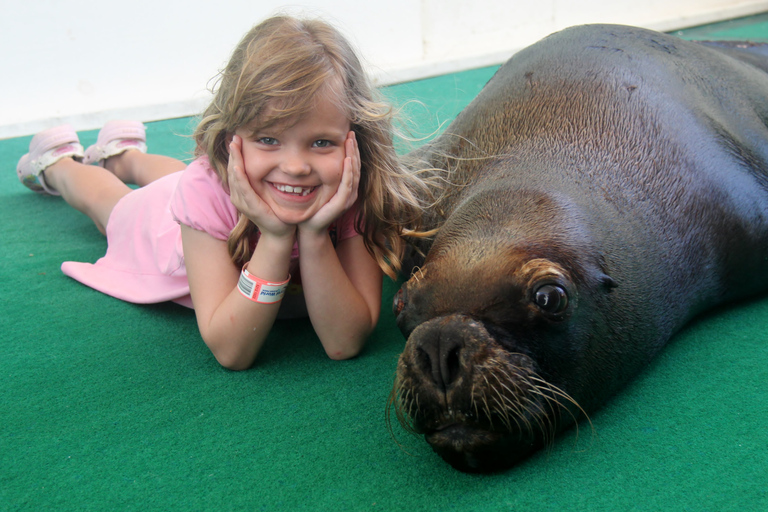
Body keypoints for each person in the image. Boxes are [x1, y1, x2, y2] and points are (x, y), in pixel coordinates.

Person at [15, 15, 431, 370]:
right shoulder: (205, 188)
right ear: (232, 139)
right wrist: (275, 236)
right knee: (113, 206)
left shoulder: (349, 187)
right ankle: (60, 165)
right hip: (165, 228)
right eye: (268, 139)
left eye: (321, 143)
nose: (296, 166)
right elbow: (232, 350)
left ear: (352, 139)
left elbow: (344, 342)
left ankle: (123, 155)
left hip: (207, 191)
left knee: (178, 178)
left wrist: (316, 234)